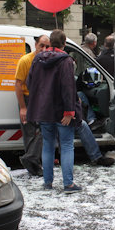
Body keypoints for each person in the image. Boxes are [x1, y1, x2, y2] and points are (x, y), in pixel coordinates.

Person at [26, 30, 81, 193]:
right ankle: (68, 184)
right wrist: (70, 111)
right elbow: (68, 87)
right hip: (62, 111)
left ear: (50, 43)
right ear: (64, 43)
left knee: (48, 146)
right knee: (66, 145)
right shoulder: (66, 61)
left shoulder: (37, 58)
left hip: (44, 110)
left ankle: (47, 182)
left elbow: (30, 83)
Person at [14, 35, 48, 176]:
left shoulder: (48, 60)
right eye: (42, 45)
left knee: (44, 129)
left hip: (41, 100)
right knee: (29, 133)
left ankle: (30, 159)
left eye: (47, 46)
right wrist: (23, 107)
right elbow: (18, 84)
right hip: (28, 99)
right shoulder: (25, 60)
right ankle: (33, 167)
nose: (44, 49)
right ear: (35, 44)